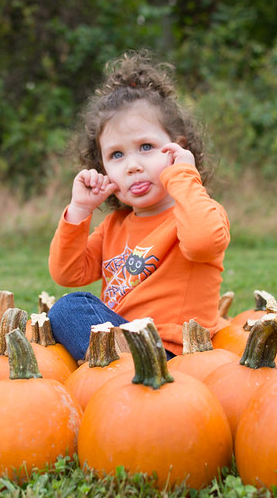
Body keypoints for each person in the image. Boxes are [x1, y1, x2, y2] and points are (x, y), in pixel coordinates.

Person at [47, 50, 230, 361]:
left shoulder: (198, 212)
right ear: (102, 166)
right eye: (116, 155)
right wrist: (80, 210)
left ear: (177, 150)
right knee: (67, 309)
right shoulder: (114, 227)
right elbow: (68, 273)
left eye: (146, 147)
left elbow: (203, 244)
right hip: (123, 340)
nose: (132, 165)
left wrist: (184, 175)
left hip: (174, 353)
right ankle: (118, 370)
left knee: (71, 309)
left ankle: (118, 370)